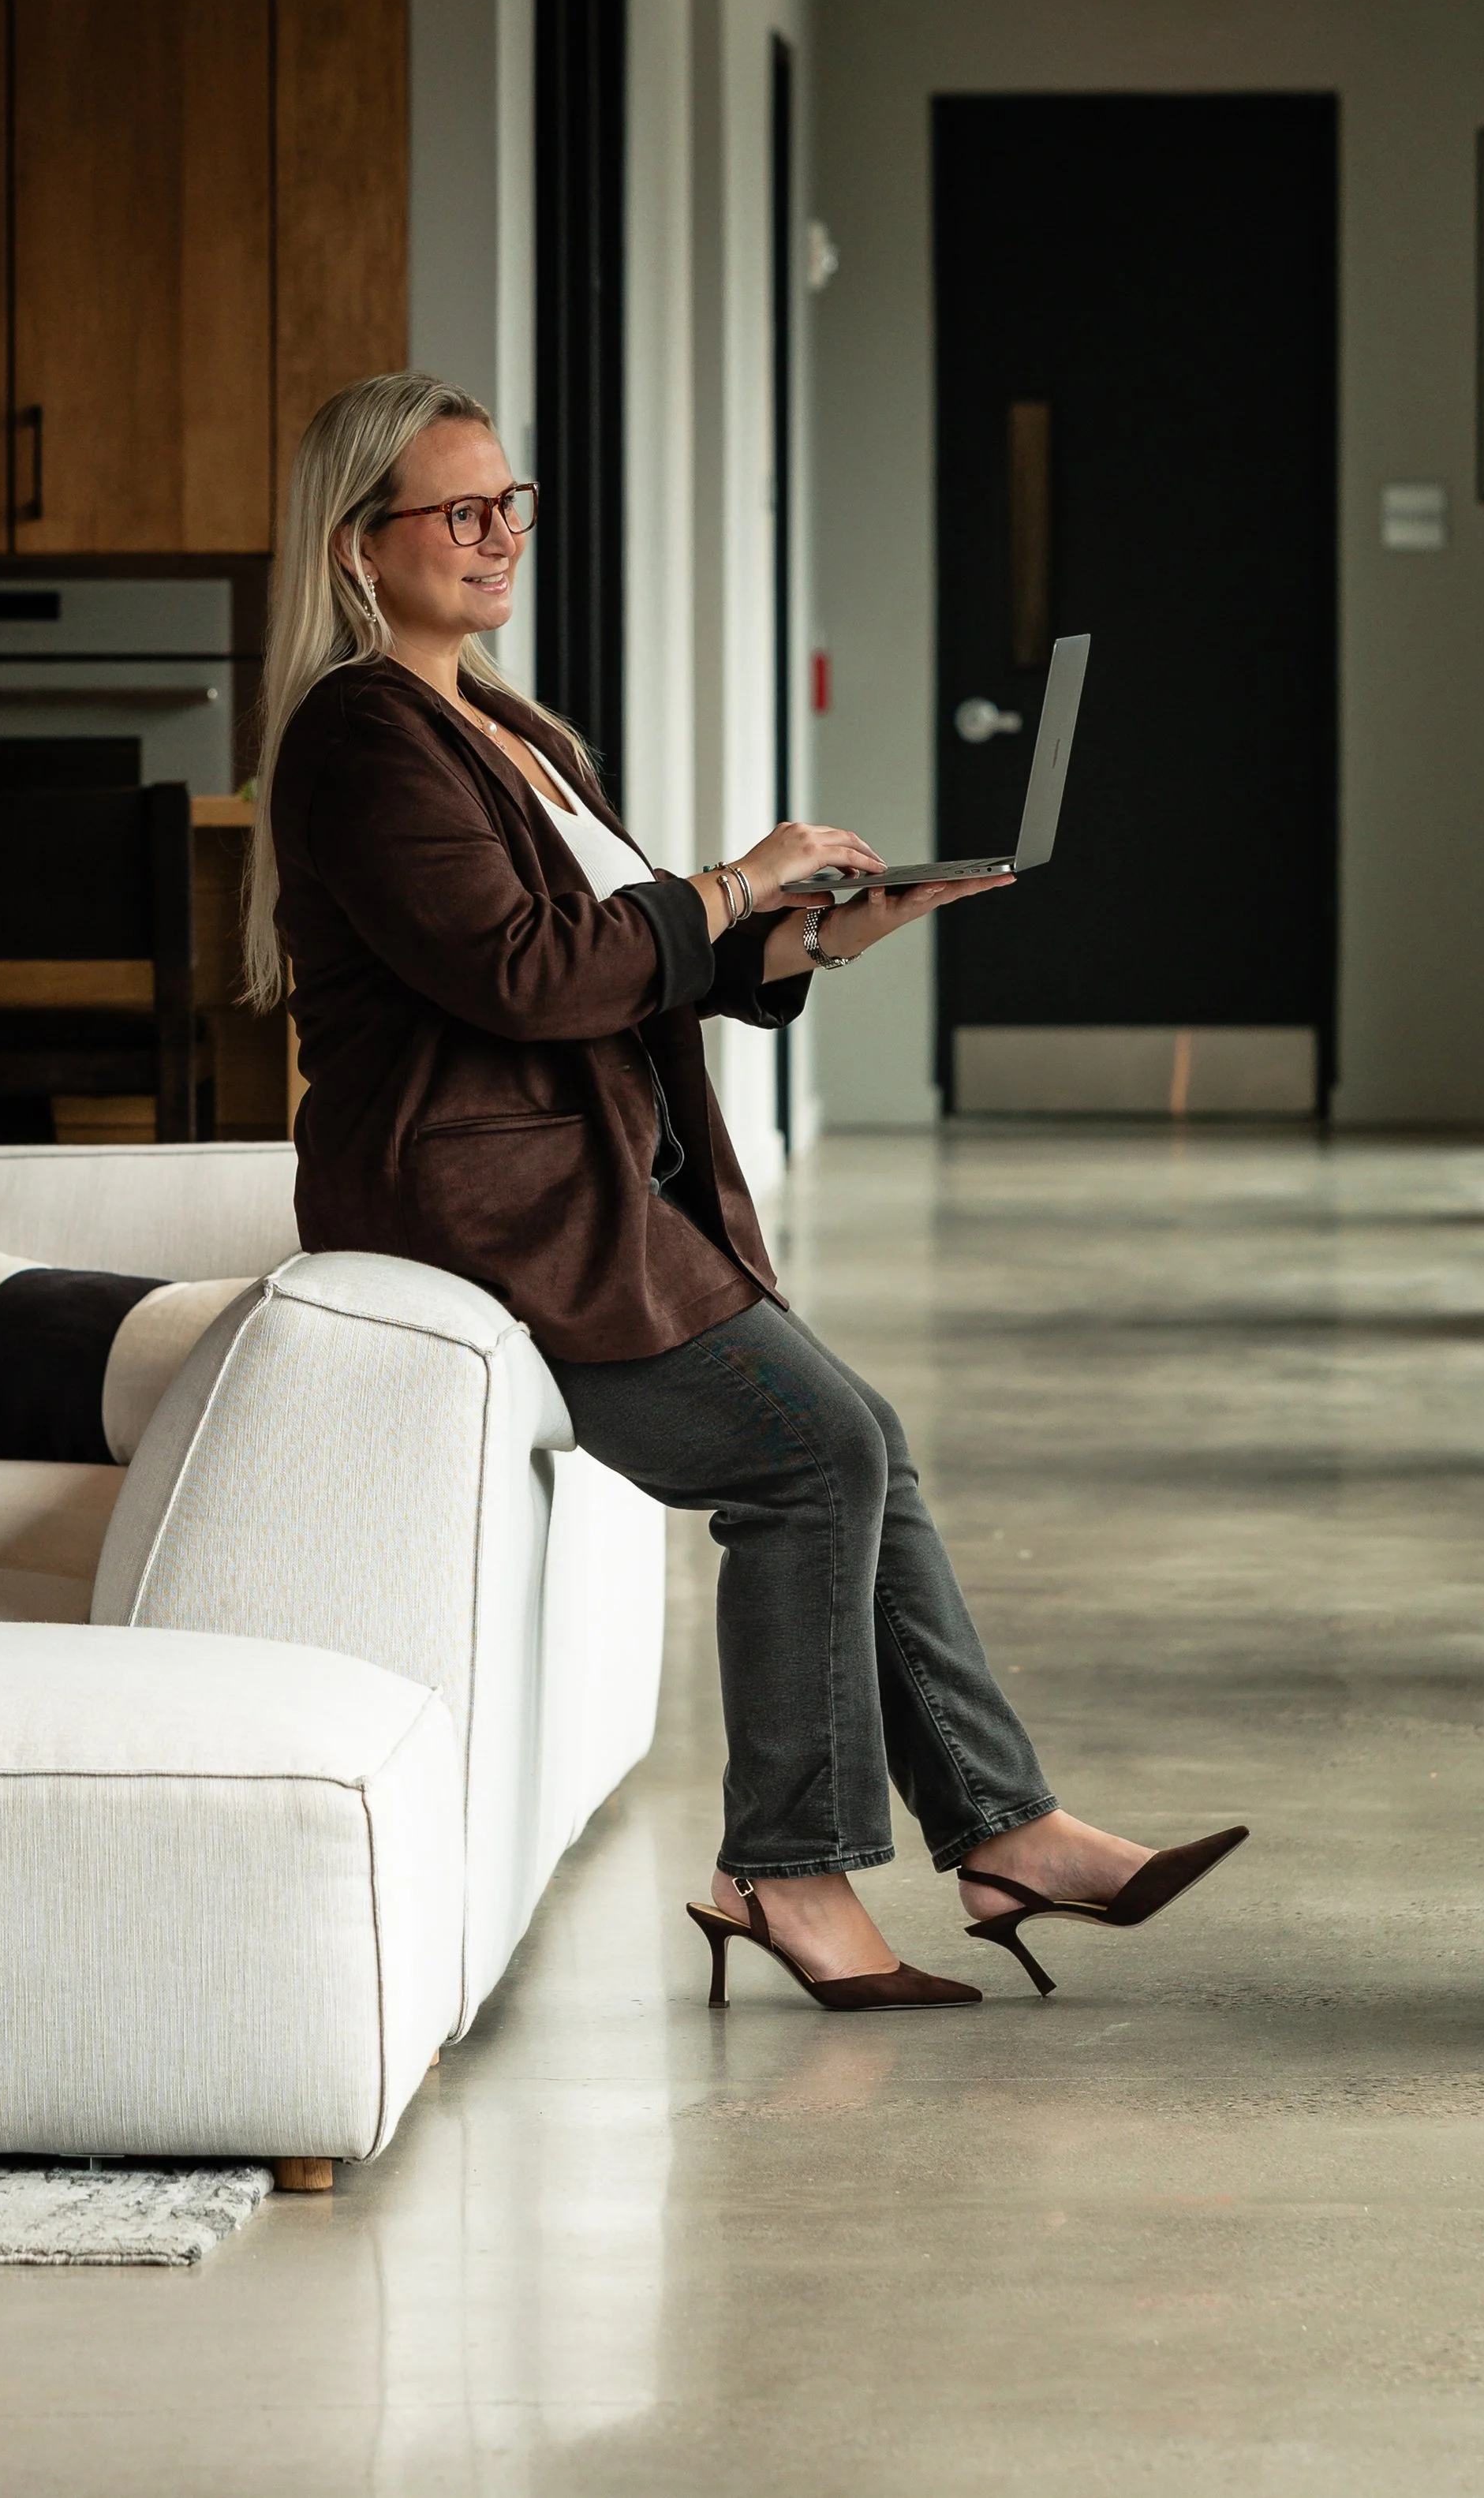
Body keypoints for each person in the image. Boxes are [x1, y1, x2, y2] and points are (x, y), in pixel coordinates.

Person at [245, 371, 1245, 2012]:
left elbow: (622, 966)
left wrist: (809, 938)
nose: (501, 536)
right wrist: (728, 879)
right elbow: (524, 973)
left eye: (512, 503)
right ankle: (786, 1870)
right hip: (486, 1216)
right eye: (461, 511)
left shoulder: (504, 727)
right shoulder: (361, 736)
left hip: (584, 1193)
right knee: (813, 1454)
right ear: (359, 546)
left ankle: (1006, 1832)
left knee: (861, 1443)